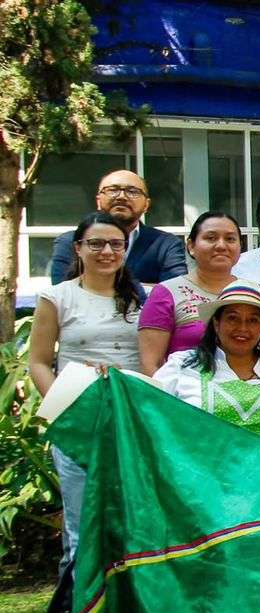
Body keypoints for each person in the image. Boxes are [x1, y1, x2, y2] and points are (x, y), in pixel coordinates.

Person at [28, 212, 144, 573]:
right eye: (96, 243)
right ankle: (78, 605)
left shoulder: (143, 298)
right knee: (82, 529)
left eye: (115, 244)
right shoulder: (57, 297)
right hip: (79, 421)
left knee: (131, 526)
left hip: (130, 421)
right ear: (78, 248)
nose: (106, 251)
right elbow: (39, 362)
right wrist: (64, 411)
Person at [154, 280, 260, 454]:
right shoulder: (182, 366)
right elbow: (153, 415)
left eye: (253, 320)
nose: (243, 328)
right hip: (205, 468)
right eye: (232, 318)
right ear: (216, 323)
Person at [137, 211, 244, 374]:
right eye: (211, 238)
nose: (221, 246)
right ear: (191, 246)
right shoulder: (166, 293)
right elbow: (151, 364)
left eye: (230, 239)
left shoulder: (252, 291)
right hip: (183, 387)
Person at [48, 170, 186, 285]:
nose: (122, 197)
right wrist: (148, 288)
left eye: (132, 191)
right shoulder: (70, 241)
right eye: (113, 190)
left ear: (146, 205)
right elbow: (62, 292)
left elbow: (175, 293)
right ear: (98, 201)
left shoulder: (166, 244)